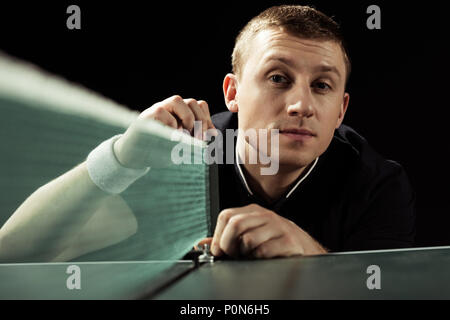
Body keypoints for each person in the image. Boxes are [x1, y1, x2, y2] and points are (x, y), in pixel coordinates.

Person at [0, 5, 415, 262]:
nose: (301, 105)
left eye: (322, 86)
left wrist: (312, 255)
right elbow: (13, 254)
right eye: (277, 77)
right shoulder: (182, 157)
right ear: (232, 93)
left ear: (340, 109)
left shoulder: (376, 182)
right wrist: (122, 157)